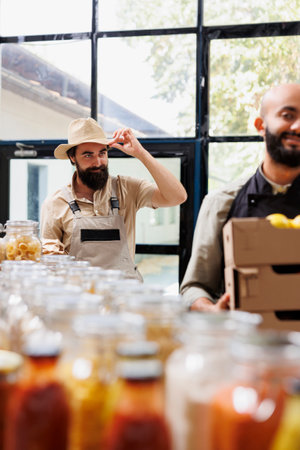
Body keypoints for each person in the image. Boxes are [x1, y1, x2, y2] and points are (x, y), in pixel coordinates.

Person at [180, 83, 300, 311]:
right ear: (260, 126)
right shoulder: (221, 202)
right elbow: (194, 287)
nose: (298, 125)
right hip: (246, 341)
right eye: (287, 115)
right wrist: (211, 310)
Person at [40, 118, 187, 279]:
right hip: (80, 299)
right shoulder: (55, 202)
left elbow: (177, 197)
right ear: (72, 157)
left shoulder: (127, 189)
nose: (98, 162)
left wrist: (141, 154)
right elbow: (49, 261)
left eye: (102, 153)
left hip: (125, 297)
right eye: (88, 155)